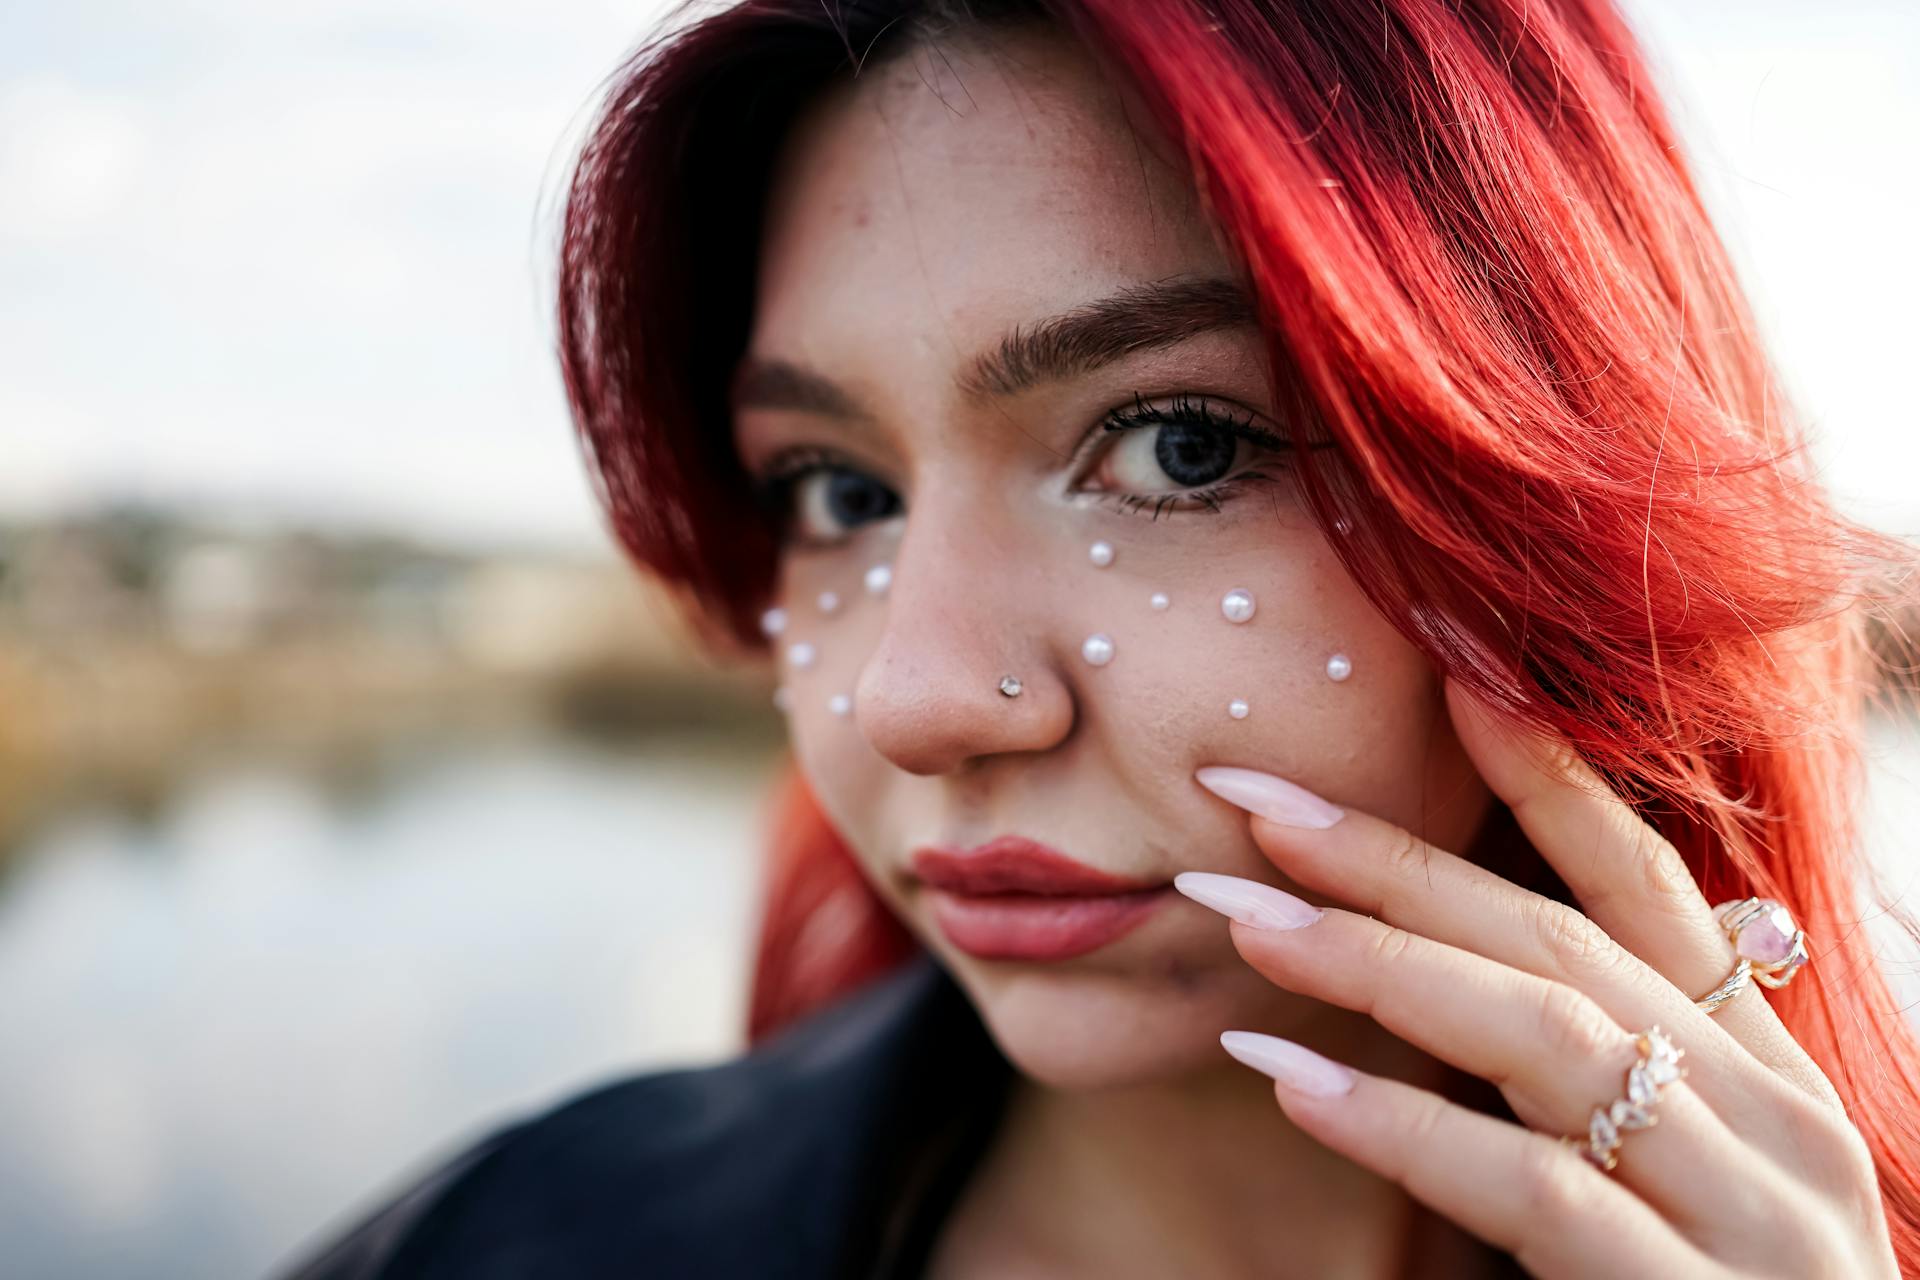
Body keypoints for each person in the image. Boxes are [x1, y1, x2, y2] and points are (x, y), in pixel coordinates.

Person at [273, 0, 1920, 1276]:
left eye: (1178, 446)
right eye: (839, 490)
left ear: (1559, 509)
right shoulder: (511, 1247)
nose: (915, 699)